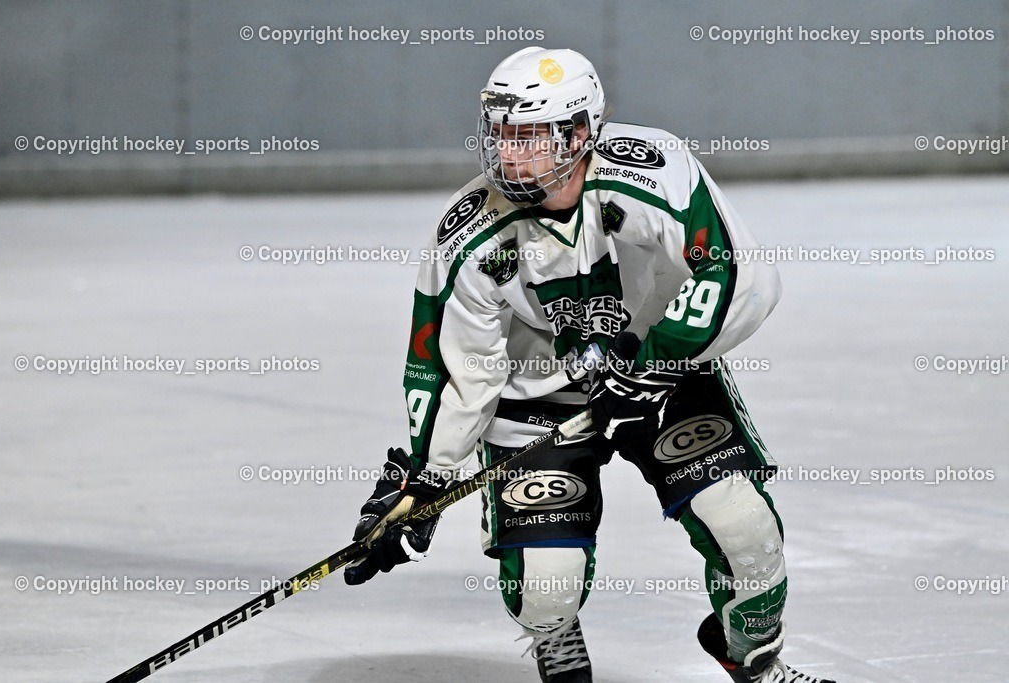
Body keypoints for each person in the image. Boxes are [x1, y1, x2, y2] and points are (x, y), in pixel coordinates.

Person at [343, 47, 835, 683]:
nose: (506, 153)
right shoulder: (470, 234)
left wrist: (654, 361)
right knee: (546, 590)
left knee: (746, 529)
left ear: (580, 133)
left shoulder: (653, 171)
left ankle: (754, 659)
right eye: (498, 132)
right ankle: (556, 629)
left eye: (527, 135)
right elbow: (456, 362)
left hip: (663, 372)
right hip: (536, 402)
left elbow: (738, 272)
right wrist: (425, 479)